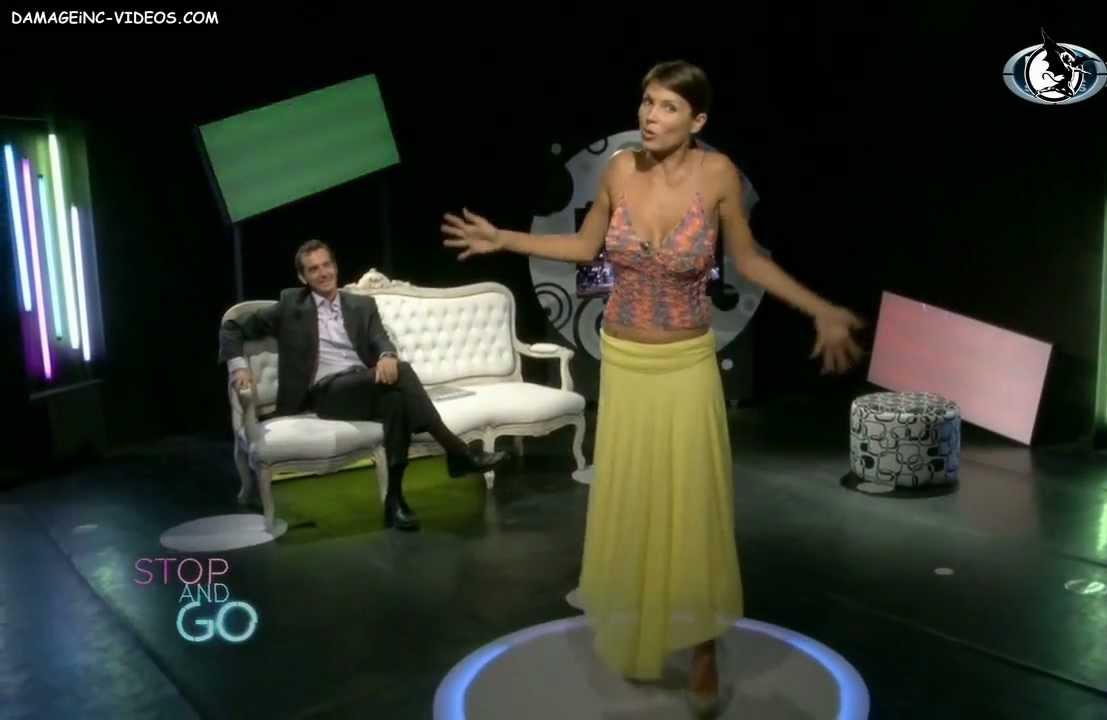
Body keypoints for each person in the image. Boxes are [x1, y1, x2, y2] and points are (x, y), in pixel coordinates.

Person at [441, 60, 864, 715]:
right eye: (646, 102)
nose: (650, 115)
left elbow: (748, 261)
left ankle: (702, 648)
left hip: (685, 366)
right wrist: (503, 239)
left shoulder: (718, 175)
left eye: (667, 106)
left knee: (691, 504)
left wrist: (820, 309)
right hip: (626, 365)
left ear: (697, 120)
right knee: (634, 499)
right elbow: (584, 248)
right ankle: (640, 624)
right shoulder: (618, 170)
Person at [217, 240, 508, 531]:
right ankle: (457, 452)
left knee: (396, 402)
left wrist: (386, 355)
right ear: (302, 277)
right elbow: (232, 327)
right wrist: (238, 367)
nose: (323, 273)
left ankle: (395, 500)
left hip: (365, 385)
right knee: (403, 372)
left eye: (327, 265)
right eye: (314, 269)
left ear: (335, 266)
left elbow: (381, 338)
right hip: (326, 393)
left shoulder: (361, 305)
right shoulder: (291, 304)